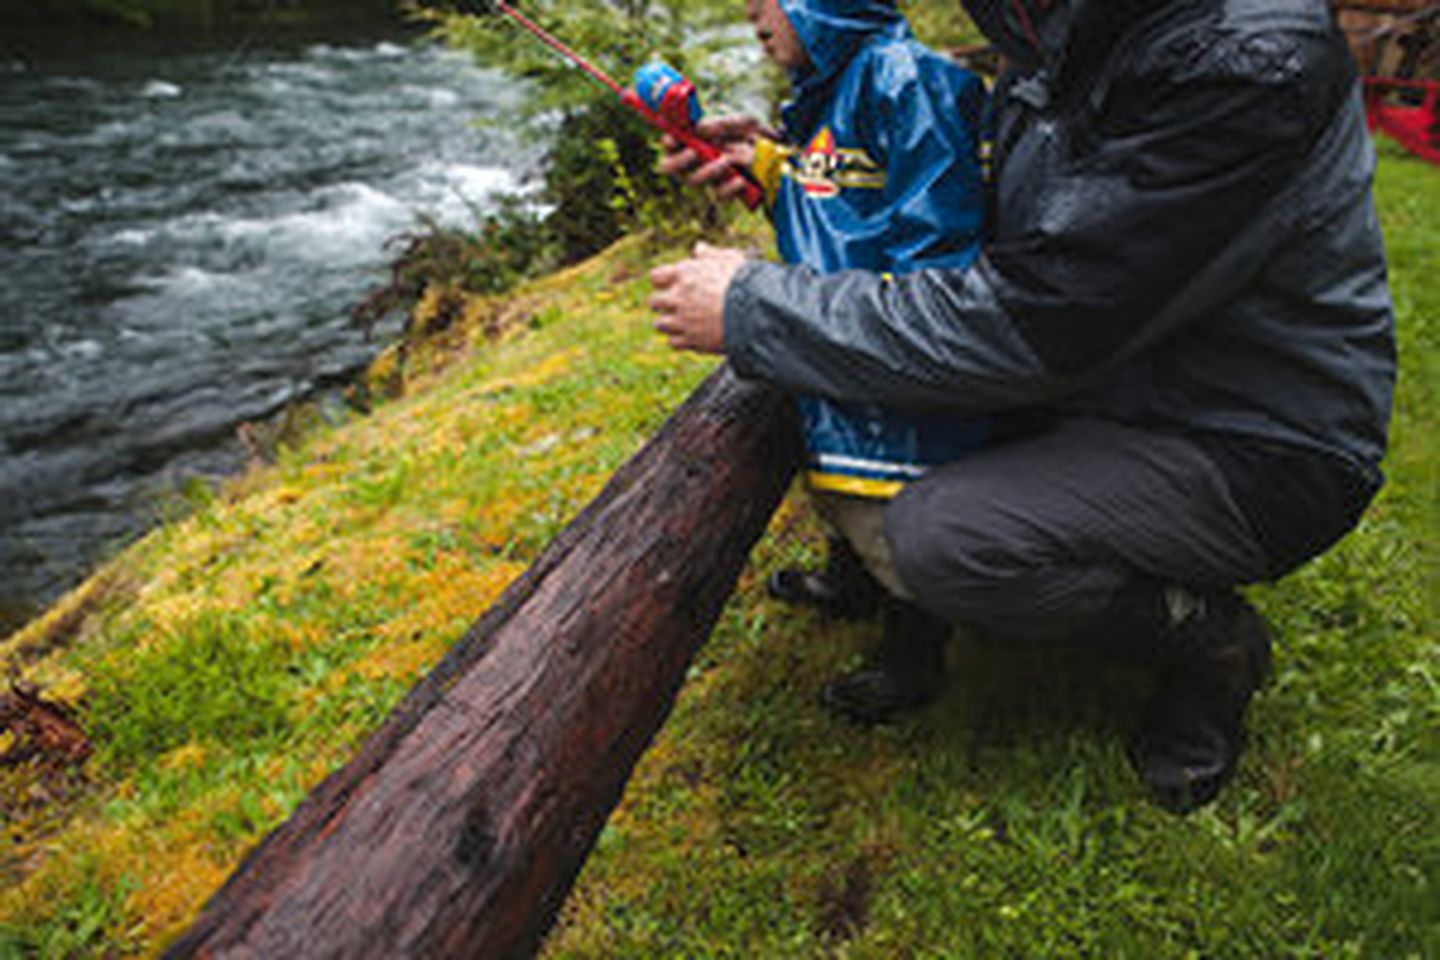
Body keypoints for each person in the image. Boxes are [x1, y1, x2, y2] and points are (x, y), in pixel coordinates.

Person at [651, 0, 1396, 814]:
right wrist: (789, 171)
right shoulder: (1054, 29)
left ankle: (1209, 643)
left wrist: (757, 309)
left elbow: (1039, 319)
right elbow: (986, 218)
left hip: (1258, 437)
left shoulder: (1244, 60)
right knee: (875, 411)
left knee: (945, 540)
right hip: (1118, 374)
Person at [699, 0, 995, 723]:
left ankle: (913, 657)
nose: (750, 12)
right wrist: (768, 169)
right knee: (836, 492)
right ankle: (851, 584)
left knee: (886, 515)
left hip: (885, 363)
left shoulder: (908, 82)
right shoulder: (831, 86)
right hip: (833, 346)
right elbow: (840, 198)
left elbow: (934, 260)